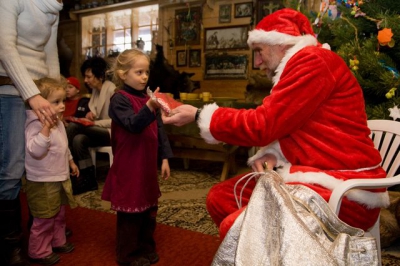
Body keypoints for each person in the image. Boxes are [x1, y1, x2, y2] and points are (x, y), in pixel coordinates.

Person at [162, 8, 387, 240]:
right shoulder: (301, 64)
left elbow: (264, 124)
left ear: (282, 44)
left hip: (345, 192)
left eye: (259, 51)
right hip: (312, 176)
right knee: (221, 197)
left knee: (236, 227)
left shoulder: (313, 62)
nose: (257, 62)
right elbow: (297, 127)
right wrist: (274, 153)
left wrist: (199, 115)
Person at [0, 1, 63, 265]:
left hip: (39, 94)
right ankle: (9, 244)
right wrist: (32, 94)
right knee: (11, 171)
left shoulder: (54, 6)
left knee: (42, 163)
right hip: (11, 90)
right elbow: (5, 47)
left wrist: (56, 97)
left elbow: (50, 55)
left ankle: (39, 233)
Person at [101, 48, 173, 266]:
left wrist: (165, 158)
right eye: (139, 72)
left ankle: (145, 247)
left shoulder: (147, 98)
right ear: (124, 75)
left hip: (147, 165)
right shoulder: (119, 100)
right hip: (129, 165)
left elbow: (159, 129)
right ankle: (128, 254)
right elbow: (133, 125)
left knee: (148, 208)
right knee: (131, 211)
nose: (144, 77)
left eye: (146, 72)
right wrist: (149, 107)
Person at [25, 77, 78, 265]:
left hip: (59, 175)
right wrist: (46, 128)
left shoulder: (58, 122)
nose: (62, 106)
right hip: (42, 179)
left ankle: (57, 241)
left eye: (63, 101)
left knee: (59, 213)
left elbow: (63, 146)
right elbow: (35, 150)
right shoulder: (35, 124)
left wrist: (71, 161)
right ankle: (38, 251)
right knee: (45, 217)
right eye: (56, 102)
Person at [66, 57, 116, 195]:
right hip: (99, 131)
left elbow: (115, 121)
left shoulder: (111, 90)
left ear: (99, 76)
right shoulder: (95, 91)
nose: (86, 80)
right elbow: (95, 111)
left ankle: (69, 171)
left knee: (73, 127)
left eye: (89, 77)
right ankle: (88, 179)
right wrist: (90, 115)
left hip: (112, 132)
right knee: (78, 140)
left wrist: (94, 122)